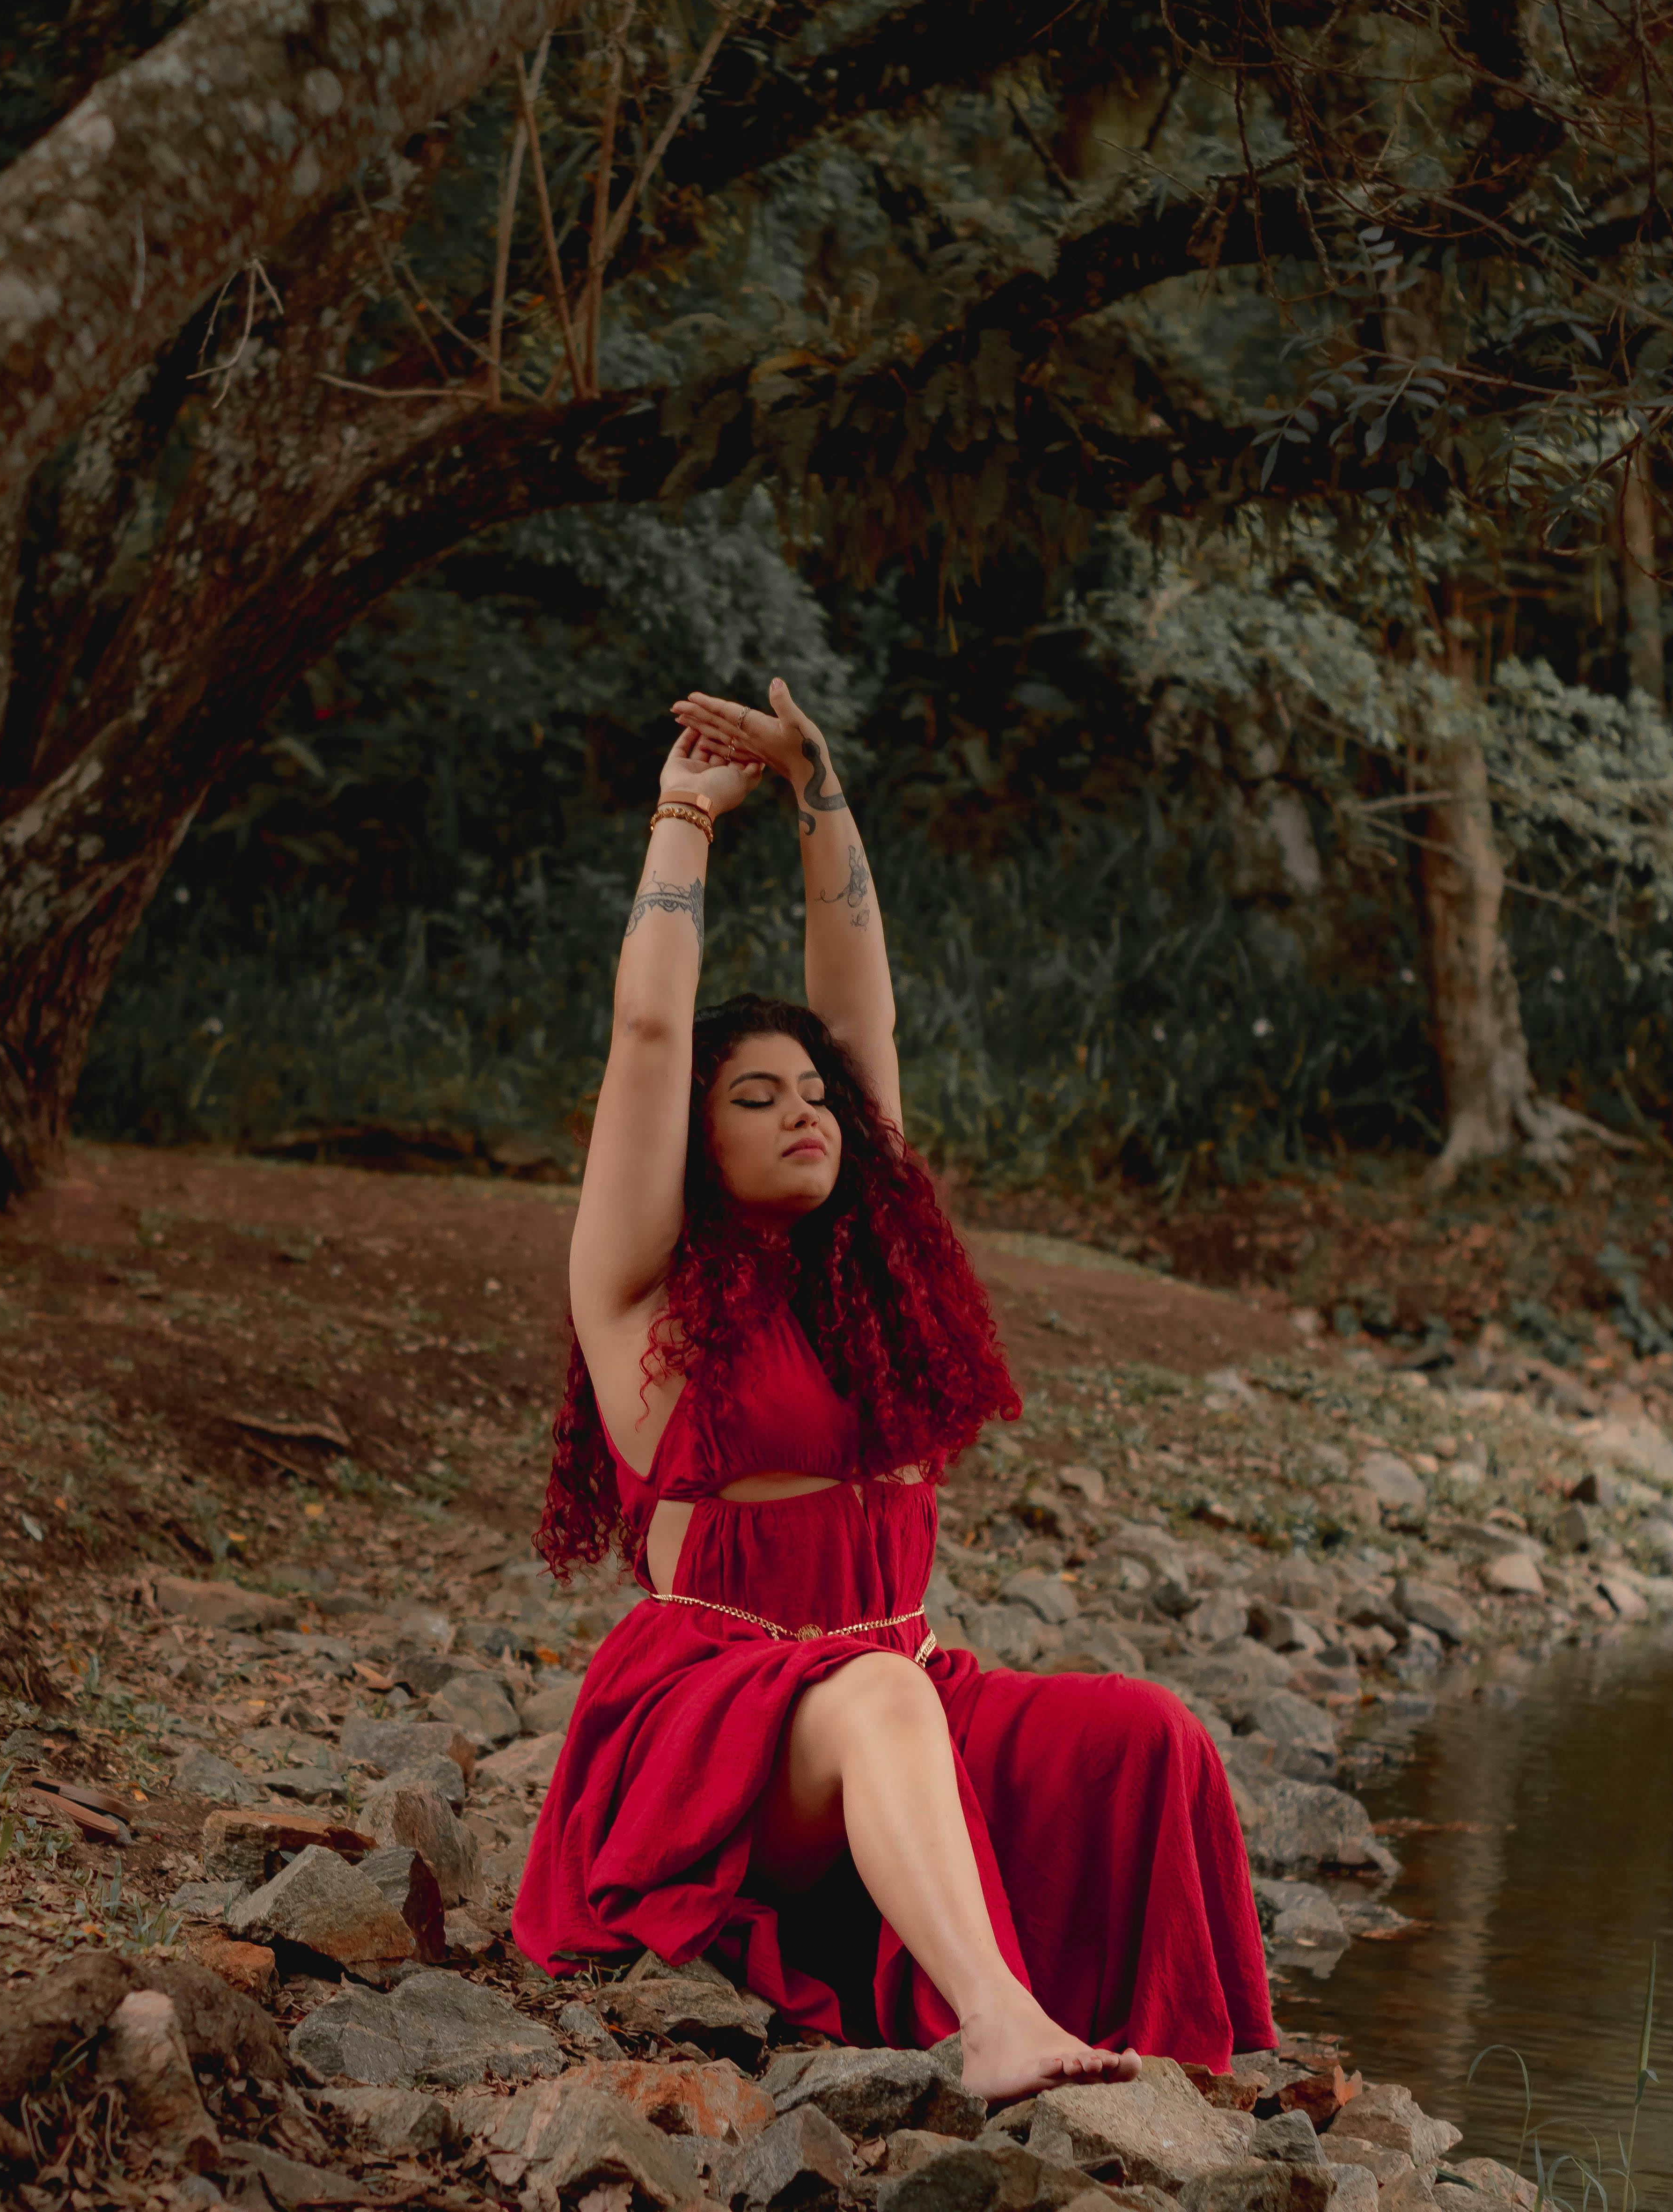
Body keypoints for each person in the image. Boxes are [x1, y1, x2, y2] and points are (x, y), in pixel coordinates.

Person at [511, 679, 1275, 2101]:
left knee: (1146, 1733)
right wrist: (686, 816)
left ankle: (1184, 2061)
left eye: (813, 1094)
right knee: (874, 1697)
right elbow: (648, 1041)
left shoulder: (870, 1287)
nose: (804, 1111)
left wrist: (819, 789)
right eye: (758, 1099)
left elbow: (865, 1014)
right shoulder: (641, 1296)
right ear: (693, 1143)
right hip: (709, 1736)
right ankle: (997, 2021)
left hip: (897, 1689)